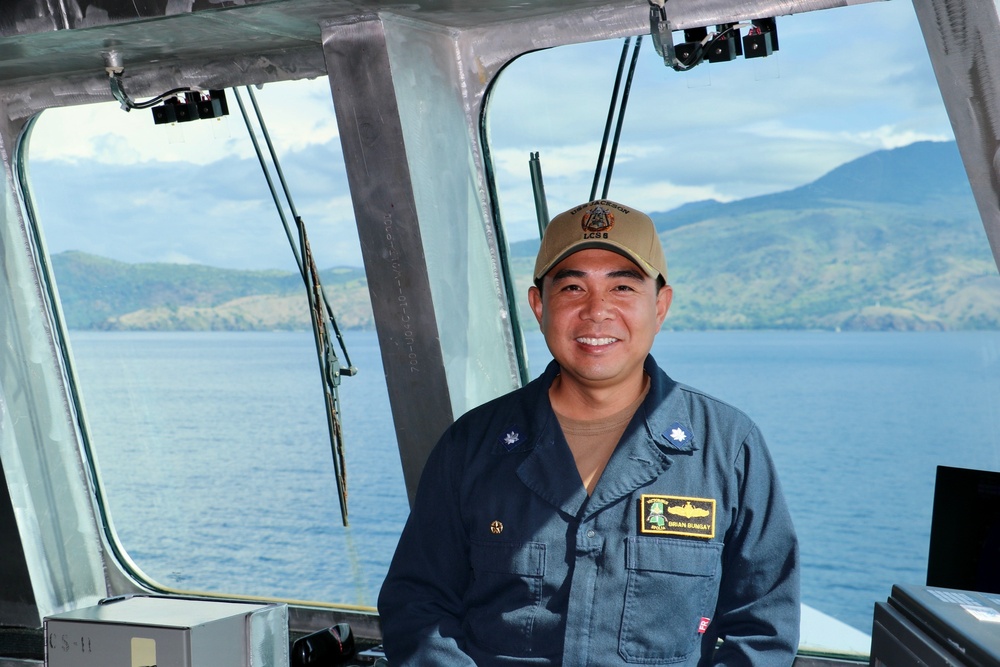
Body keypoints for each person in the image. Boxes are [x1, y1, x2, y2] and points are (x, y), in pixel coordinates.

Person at [377, 199, 800, 665]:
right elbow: (418, 608)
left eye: (622, 287)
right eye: (574, 287)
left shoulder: (727, 449)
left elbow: (763, 631)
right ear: (539, 305)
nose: (597, 311)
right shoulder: (473, 447)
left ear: (660, 305)